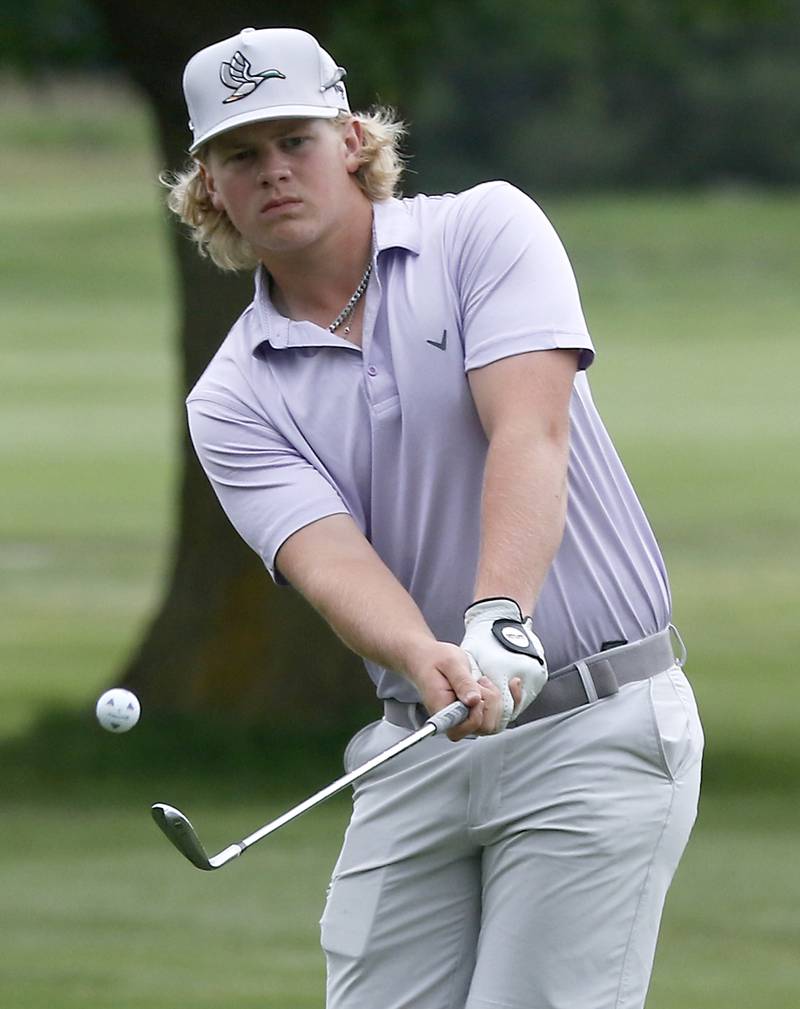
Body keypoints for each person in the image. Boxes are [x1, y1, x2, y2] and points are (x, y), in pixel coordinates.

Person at [167, 26, 704, 1009]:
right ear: (209, 187)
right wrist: (427, 656)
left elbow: (528, 432)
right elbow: (330, 561)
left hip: (591, 725)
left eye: (295, 139)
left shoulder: (483, 232)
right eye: (241, 154)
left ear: (350, 141)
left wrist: (498, 614)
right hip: (420, 739)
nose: (274, 171)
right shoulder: (230, 396)